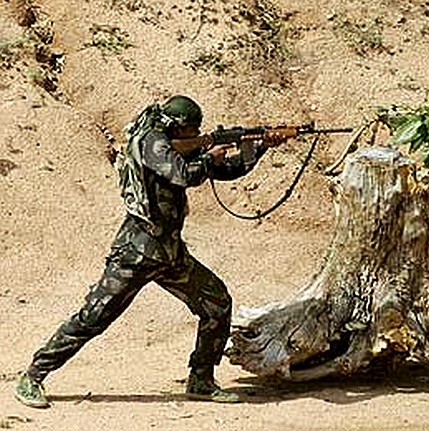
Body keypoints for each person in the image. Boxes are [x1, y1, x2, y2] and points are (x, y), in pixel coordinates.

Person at [14, 95, 287, 408]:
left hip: (169, 254)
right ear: (175, 127)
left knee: (216, 304)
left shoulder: (174, 143)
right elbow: (184, 174)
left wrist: (261, 145)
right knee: (94, 317)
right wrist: (209, 157)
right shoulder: (151, 142)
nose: (194, 137)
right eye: (191, 132)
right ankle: (33, 375)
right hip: (136, 253)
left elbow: (228, 170)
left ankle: (201, 380)